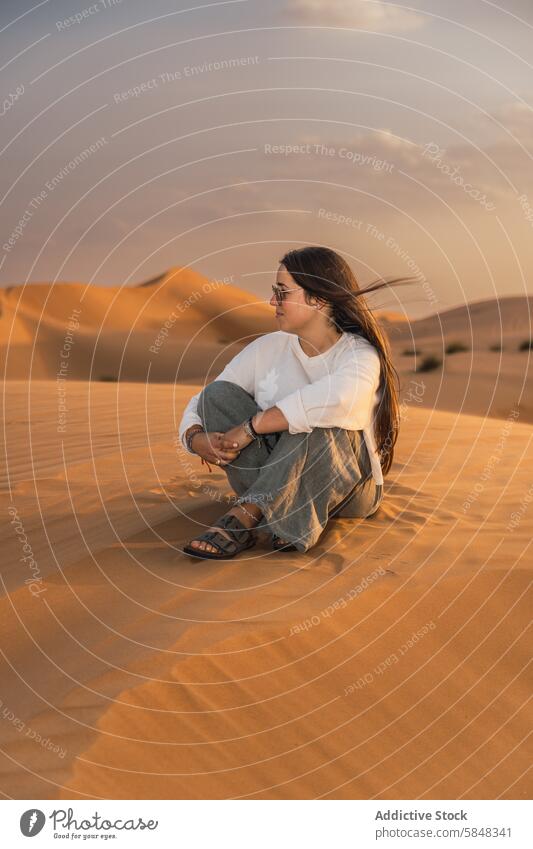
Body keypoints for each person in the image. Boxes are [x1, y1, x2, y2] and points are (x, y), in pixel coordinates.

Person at [179, 246, 415, 559]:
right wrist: (195, 439)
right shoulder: (268, 348)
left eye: (282, 292)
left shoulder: (359, 355)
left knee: (320, 423)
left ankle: (245, 518)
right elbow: (203, 401)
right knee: (217, 396)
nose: (272, 301)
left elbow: (339, 399)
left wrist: (252, 427)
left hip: (349, 489)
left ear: (318, 299)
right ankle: (286, 516)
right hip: (280, 475)